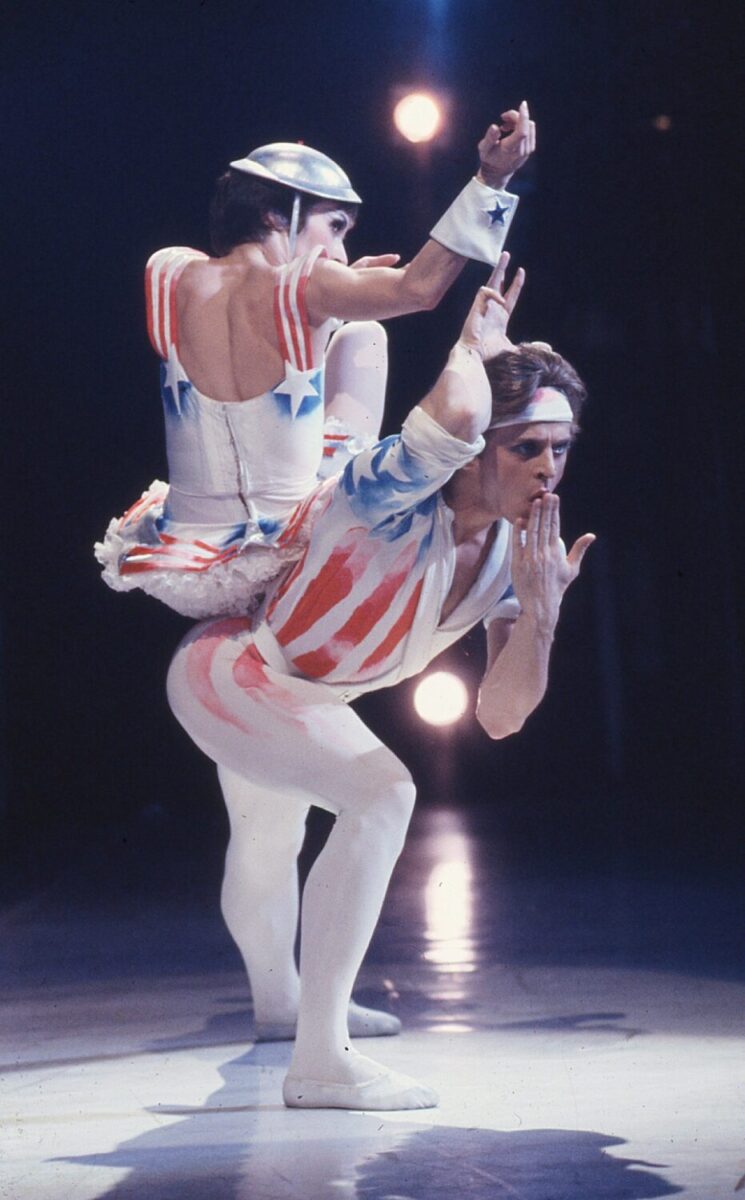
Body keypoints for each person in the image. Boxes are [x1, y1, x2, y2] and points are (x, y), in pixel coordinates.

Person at [165, 255, 596, 1110]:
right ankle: (320, 1059)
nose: (547, 468)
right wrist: (476, 345)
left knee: (266, 837)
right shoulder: (388, 491)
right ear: (479, 445)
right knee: (380, 793)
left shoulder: (518, 555)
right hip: (232, 669)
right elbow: (449, 417)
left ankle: (282, 1006)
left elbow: (502, 716)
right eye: (525, 447)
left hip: (298, 697)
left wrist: (541, 618)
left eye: (560, 449)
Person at [95, 105, 535, 618]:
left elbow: (249, 336)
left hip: (190, 555)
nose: (341, 254)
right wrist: (491, 179)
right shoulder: (304, 285)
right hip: (295, 544)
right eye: (335, 226)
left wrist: (327, 306)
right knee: (366, 338)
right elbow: (421, 288)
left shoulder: (167, 272)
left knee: (347, 335)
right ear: (274, 215)